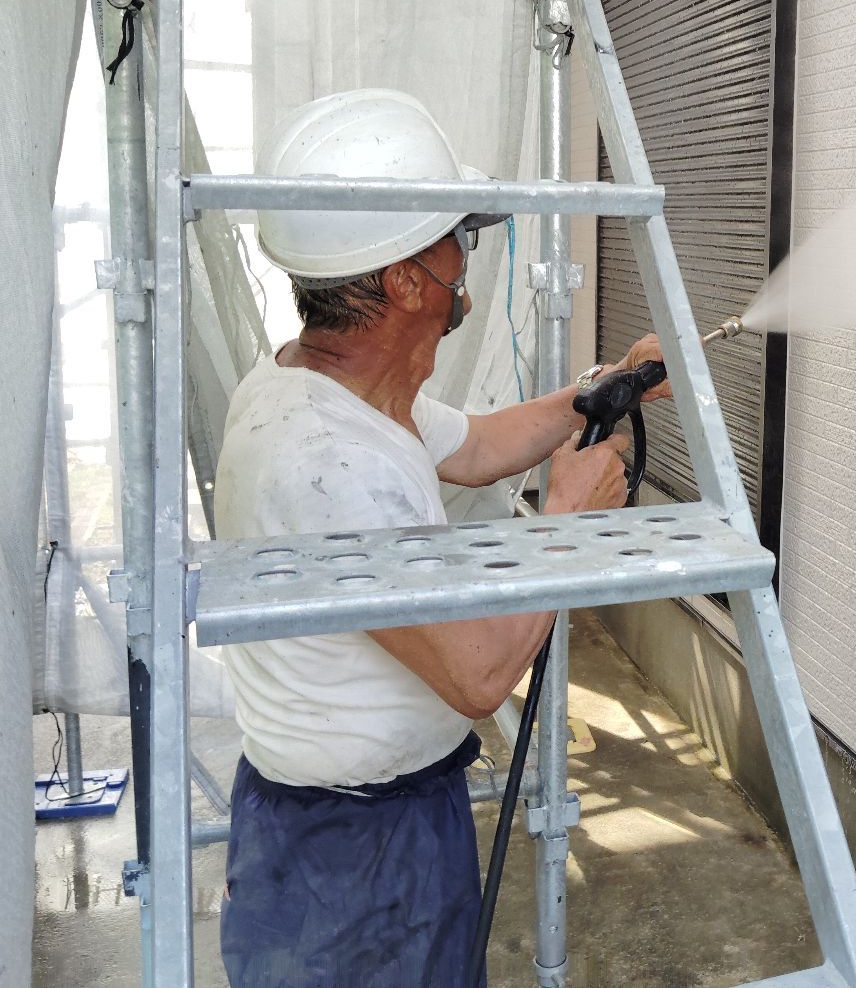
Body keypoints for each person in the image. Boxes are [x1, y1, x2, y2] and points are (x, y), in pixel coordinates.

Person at [213, 88, 667, 987]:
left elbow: (483, 445)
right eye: (455, 238)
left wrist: (609, 383)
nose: (466, 258)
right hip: (352, 855)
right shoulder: (327, 459)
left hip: (375, 819)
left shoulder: (337, 391)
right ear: (404, 280)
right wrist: (567, 522)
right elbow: (478, 674)